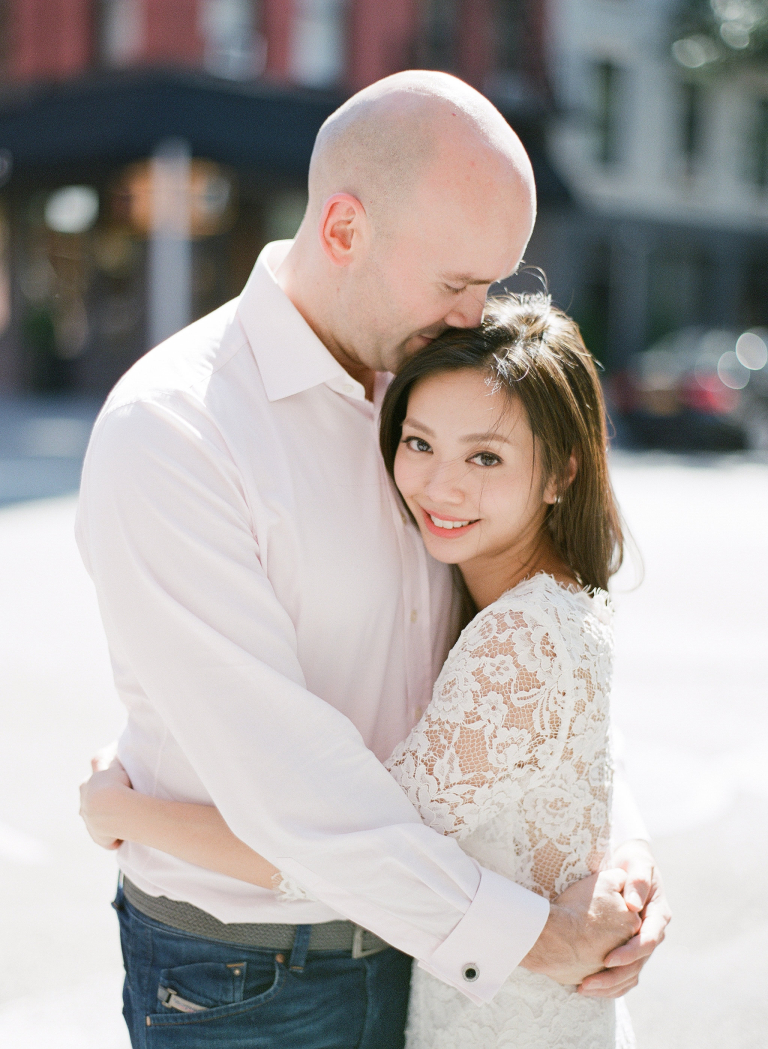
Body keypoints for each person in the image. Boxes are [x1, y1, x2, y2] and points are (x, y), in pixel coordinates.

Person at [76, 70, 669, 1049]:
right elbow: (296, 796)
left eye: (494, 284)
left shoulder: (442, 392)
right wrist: (538, 938)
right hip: (250, 981)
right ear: (345, 228)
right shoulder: (175, 432)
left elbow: (536, 670)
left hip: (434, 959)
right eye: (457, 282)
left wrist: (619, 855)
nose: (478, 315)